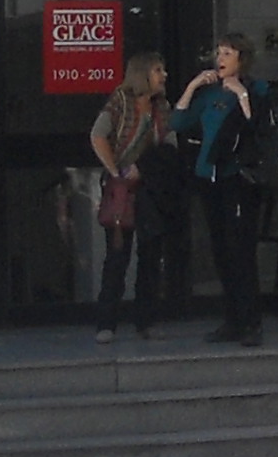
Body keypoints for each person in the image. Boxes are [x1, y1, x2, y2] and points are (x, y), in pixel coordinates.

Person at [178, 35, 266, 348]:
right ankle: (232, 319)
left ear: (242, 58)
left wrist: (241, 95)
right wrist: (192, 87)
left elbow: (258, 125)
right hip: (209, 177)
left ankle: (251, 321)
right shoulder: (210, 93)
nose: (221, 58)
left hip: (237, 178)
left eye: (227, 53)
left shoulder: (256, 89)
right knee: (221, 250)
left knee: (241, 249)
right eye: (219, 53)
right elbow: (179, 121)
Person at [87, 53, 175, 341]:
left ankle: (145, 320)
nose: (163, 75)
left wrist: (146, 168)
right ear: (142, 74)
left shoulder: (162, 106)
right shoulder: (120, 101)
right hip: (121, 190)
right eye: (158, 70)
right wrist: (115, 171)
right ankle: (106, 323)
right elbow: (98, 135)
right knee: (117, 256)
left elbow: (170, 145)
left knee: (151, 255)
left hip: (149, 188)